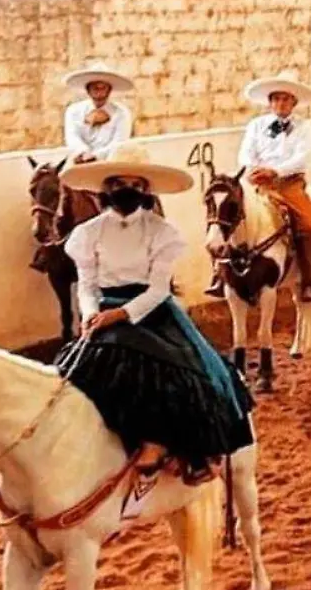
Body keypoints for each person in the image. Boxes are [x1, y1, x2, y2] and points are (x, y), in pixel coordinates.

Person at [57, 143, 253, 485]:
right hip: (103, 308)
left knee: (185, 371)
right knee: (71, 374)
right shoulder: (86, 234)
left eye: (135, 186)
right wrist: (89, 313)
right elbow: (86, 284)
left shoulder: (162, 233)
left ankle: (179, 449)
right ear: (106, 189)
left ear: (146, 190)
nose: (126, 192)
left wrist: (119, 316)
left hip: (150, 310)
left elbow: (159, 290)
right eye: (118, 185)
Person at [206, 70, 311, 302]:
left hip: (288, 183)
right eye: (276, 98)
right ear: (270, 102)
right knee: (224, 213)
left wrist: (276, 171)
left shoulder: (305, 127)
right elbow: (245, 152)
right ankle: (220, 274)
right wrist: (253, 169)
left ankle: (310, 278)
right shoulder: (256, 125)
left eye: (286, 99)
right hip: (256, 181)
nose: (281, 103)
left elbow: (302, 156)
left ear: (294, 102)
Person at [61, 62, 135, 164]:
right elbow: (72, 137)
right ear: (88, 89)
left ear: (109, 89)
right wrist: (83, 152)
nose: (99, 92)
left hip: (109, 164)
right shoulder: (73, 111)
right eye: (95, 88)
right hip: (80, 163)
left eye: (103, 88)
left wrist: (96, 156)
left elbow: (119, 143)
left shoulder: (121, 113)